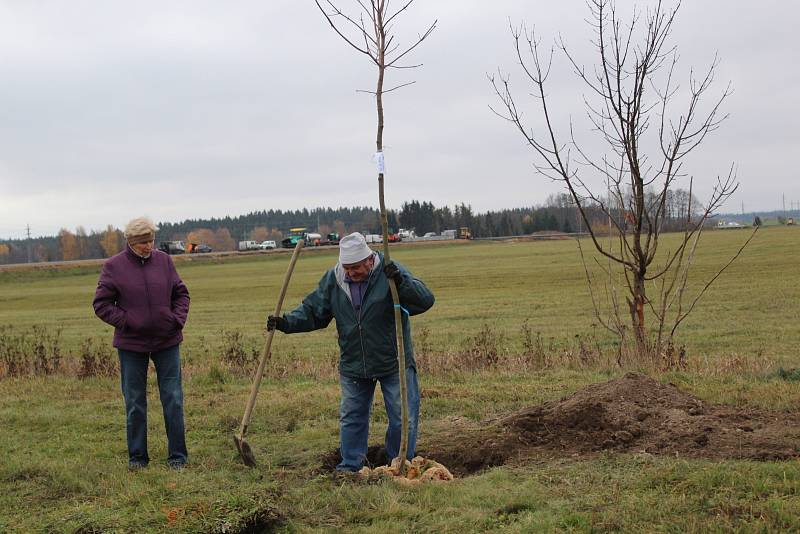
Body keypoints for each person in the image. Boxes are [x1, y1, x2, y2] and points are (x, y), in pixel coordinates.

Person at [267, 232, 434, 472]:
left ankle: (399, 463)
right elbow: (314, 311)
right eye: (347, 268)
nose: (350, 273)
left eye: (355, 268)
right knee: (352, 417)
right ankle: (350, 467)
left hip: (393, 360)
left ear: (369, 260)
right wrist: (285, 323)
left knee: (402, 418)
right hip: (354, 363)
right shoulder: (334, 279)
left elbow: (425, 300)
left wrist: (401, 282)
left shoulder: (389, 272)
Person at [92, 217, 190, 470]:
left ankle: (178, 457)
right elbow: (101, 305)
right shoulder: (113, 267)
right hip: (131, 345)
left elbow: (181, 293)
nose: (149, 246)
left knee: (173, 399)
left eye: (151, 241)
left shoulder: (165, 261)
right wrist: (128, 322)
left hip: (167, 341)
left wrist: (176, 320)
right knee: (135, 402)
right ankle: (138, 459)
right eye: (143, 242)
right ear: (131, 242)